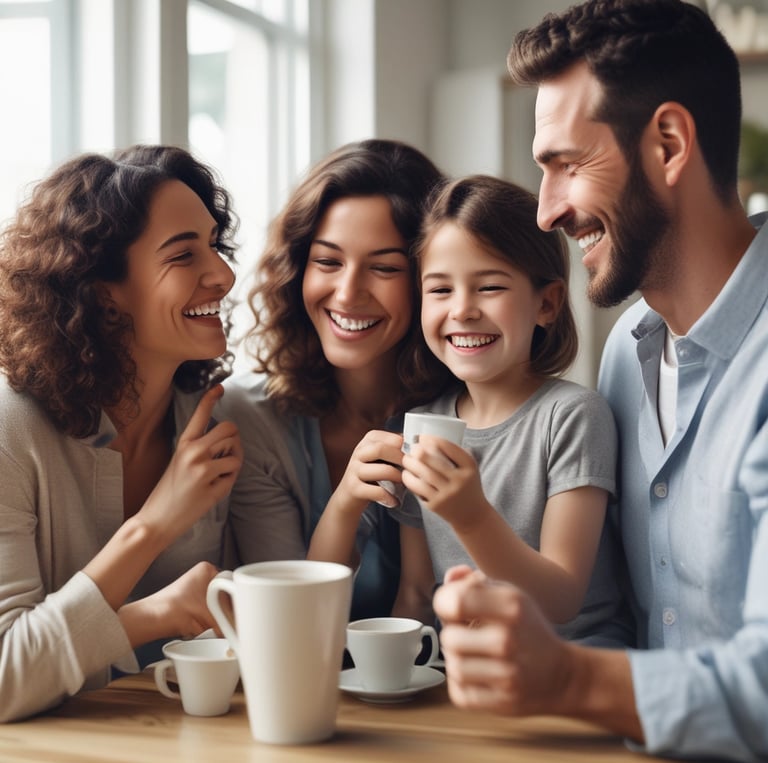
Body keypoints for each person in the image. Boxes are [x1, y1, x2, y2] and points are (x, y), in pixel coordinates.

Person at [432, 2, 768, 761]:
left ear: (669, 145)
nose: (547, 209)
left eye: (566, 165)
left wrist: (566, 677)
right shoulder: (626, 354)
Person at [310, 173, 628, 642]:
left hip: (575, 671)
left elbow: (561, 600)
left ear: (547, 303)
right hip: (467, 677)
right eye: (440, 290)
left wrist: (471, 515)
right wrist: (346, 500)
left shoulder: (573, 417)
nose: (462, 310)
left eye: (490, 287)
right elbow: (417, 594)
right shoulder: (421, 426)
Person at [0, 145, 243, 722]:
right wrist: (155, 530)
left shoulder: (217, 426)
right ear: (101, 288)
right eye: (184, 255)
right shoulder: (12, 432)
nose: (224, 275)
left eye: (214, 246)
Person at [219, 139, 450, 621]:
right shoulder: (251, 418)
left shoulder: (469, 412)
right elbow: (285, 619)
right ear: (297, 269)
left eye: (384, 267)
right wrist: (345, 501)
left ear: (432, 279)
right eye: (327, 261)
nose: (347, 293)